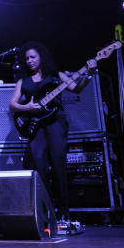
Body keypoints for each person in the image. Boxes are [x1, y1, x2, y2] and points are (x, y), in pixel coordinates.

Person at [8, 42, 94, 227]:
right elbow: (13, 105)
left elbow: (76, 88)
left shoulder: (56, 75)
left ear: (41, 57)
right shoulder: (23, 81)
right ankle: (46, 213)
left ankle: (65, 213)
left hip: (56, 123)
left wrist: (89, 73)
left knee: (58, 166)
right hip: (35, 126)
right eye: (26, 58)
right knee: (40, 168)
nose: (29, 61)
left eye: (33, 57)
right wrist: (27, 107)